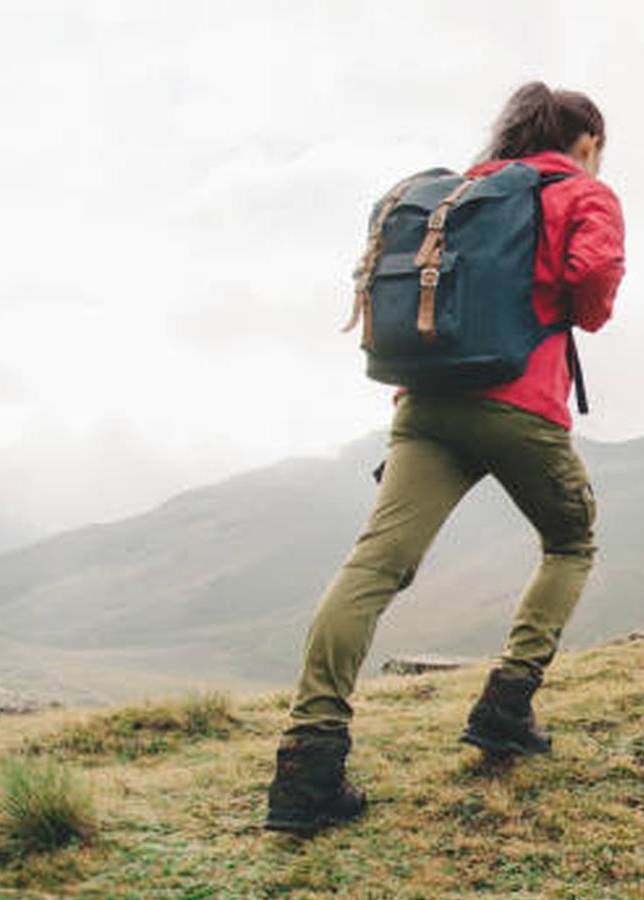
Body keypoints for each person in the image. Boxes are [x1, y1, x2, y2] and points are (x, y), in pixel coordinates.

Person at [264, 81, 625, 837]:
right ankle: (506, 706)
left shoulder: (462, 192)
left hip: (424, 405)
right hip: (520, 404)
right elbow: (592, 292)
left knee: (374, 567)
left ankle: (307, 763)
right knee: (570, 541)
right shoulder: (583, 192)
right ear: (585, 141)